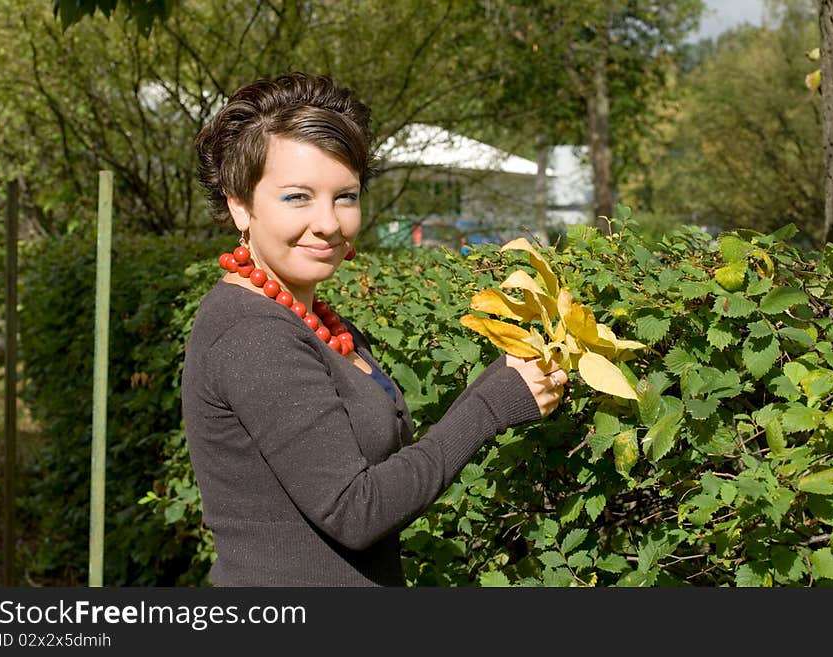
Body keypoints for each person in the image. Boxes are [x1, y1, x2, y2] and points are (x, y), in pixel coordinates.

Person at [182, 71, 568, 587]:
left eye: (345, 196)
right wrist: (491, 407)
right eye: (297, 197)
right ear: (239, 204)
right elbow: (355, 509)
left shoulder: (311, 318)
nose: (328, 222)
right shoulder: (254, 337)